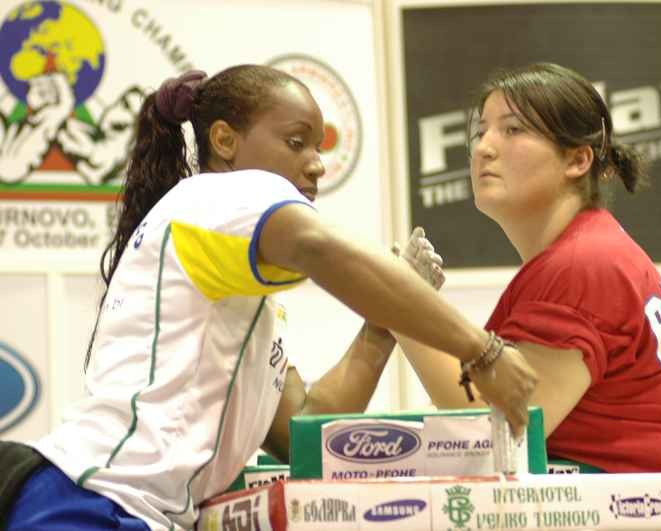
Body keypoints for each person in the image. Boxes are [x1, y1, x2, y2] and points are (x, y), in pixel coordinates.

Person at [0, 65, 537, 531]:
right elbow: (317, 246)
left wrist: (383, 327)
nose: (318, 164)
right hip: (88, 505)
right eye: (296, 142)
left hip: (115, 506)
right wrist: (480, 350)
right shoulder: (218, 194)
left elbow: (300, 427)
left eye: (320, 148)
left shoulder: (230, 269)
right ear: (226, 142)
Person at [393, 62, 661, 531]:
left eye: (512, 130)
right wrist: (412, 307)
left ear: (577, 160)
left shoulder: (581, 265)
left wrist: (401, 306)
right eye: (480, 131)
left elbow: (498, 428)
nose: (483, 147)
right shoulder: (582, 252)